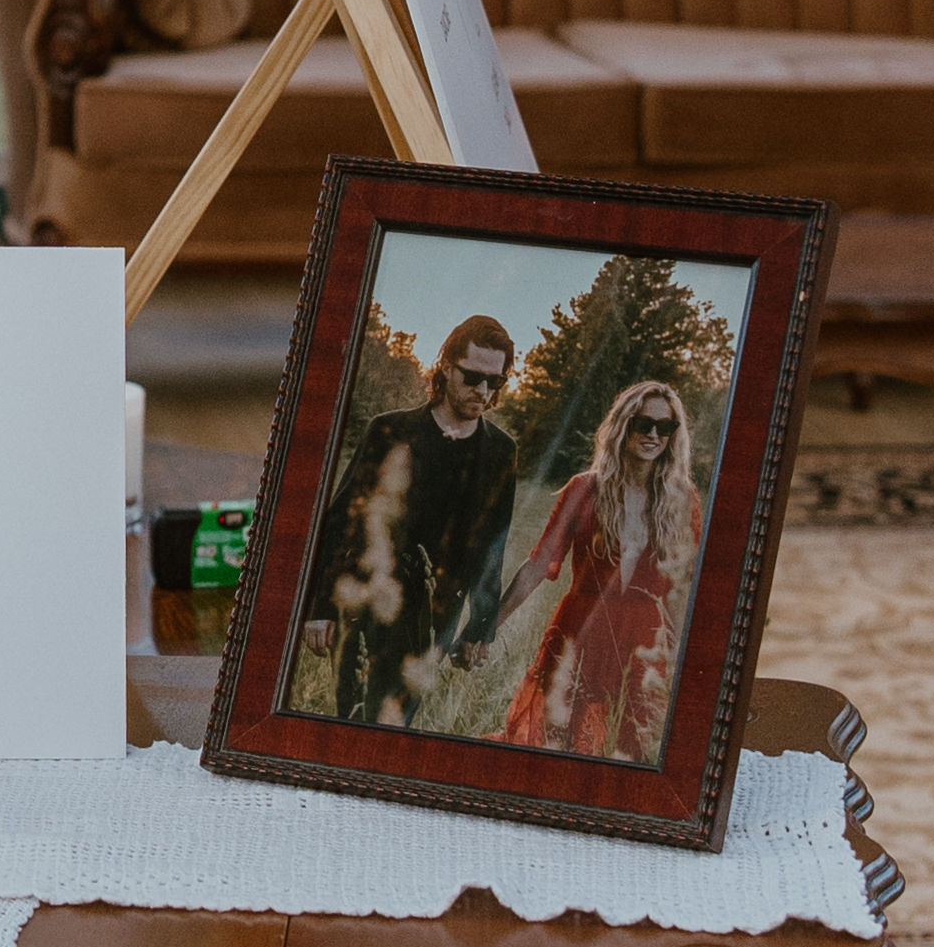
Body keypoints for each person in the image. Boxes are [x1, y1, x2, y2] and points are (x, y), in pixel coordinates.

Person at [299, 313, 518, 724]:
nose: (483, 391)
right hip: (366, 605)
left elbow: (493, 543)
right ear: (447, 367)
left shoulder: (501, 453)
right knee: (356, 716)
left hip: (435, 621)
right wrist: (321, 605)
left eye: (496, 381)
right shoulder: (390, 431)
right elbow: (341, 521)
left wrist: (480, 630)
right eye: (473, 377)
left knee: (397, 722)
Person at [501, 379, 702, 762]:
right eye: (645, 423)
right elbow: (539, 563)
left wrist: (688, 661)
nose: (654, 435)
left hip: (645, 646)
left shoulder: (682, 499)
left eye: (666, 427)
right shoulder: (583, 490)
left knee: (635, 753)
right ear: (624, 425)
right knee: (563, 747)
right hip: (580, 637)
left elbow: (686, 587)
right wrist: (488, 626)